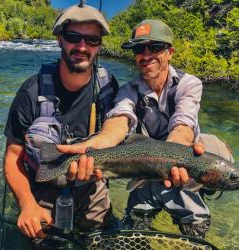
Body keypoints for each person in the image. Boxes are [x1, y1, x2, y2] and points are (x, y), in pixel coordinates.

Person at [60, 19, 234, 239]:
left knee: (193, 227)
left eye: (155, 47)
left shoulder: (189, 83)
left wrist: (173, 155)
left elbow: (183, 123)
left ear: (170, 52)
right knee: (136, 227)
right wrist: (96, 144)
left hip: (181, 167)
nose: (145, 55)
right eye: (139, 49)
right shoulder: (128, 90)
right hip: (143, 168)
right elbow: (120, 119)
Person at [4, 3, 119, 239]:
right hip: (44, 187)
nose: (82, 46)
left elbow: (120, 129)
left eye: (92, 40)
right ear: (59, 39)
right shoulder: (31, 92)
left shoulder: (108, 88)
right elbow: (13, 158)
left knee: (100, 240)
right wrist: (27, 205)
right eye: (73, 37)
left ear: (99, 46)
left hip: (92, 186)